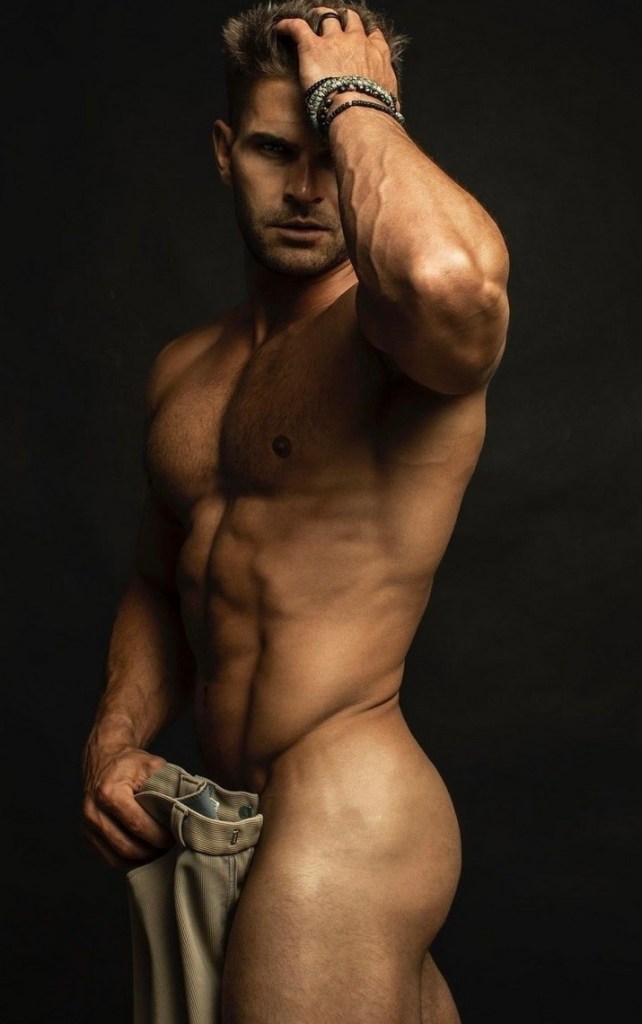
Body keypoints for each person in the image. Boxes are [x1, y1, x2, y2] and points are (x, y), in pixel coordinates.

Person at [81, 2, 509, 1021]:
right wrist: (116, 733)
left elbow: (450, 279)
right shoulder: (185, 369)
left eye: (331, 155)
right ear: (225, 152)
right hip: (223, 816)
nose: (309, 189)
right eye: (277, 150)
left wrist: (353, 99)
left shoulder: (394, 336)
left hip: (348, 801)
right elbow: (161, 577)